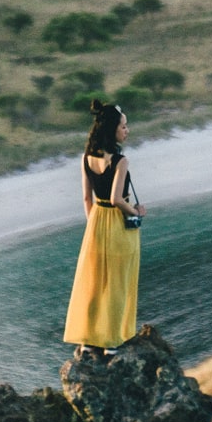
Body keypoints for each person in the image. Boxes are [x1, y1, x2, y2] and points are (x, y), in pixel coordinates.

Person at [62, 98, 143, 353]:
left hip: (96, 222)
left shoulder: (86, 158)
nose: (126, 130)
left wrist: (94, 226)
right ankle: (112, 341)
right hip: (118, 226)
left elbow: (87, 198)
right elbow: (117, 199)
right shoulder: (120, 161)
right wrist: (137, 211)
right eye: (123, 126)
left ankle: (87, 340)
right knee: (118, 284)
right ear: (112, 130)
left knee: (95, 284)